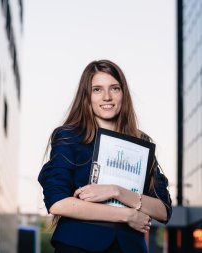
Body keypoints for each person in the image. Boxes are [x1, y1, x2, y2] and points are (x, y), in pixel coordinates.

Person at [38, 60, 172, 253]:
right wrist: (126, 215)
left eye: (115, 88)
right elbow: (57, 203)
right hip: (78, 244)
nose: (107, 97)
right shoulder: (69, 137)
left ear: (123, 94)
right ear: (87, 96)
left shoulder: (140, 142)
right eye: (97, 89)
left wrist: (116, 191)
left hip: (130, 247)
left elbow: (163, 210)